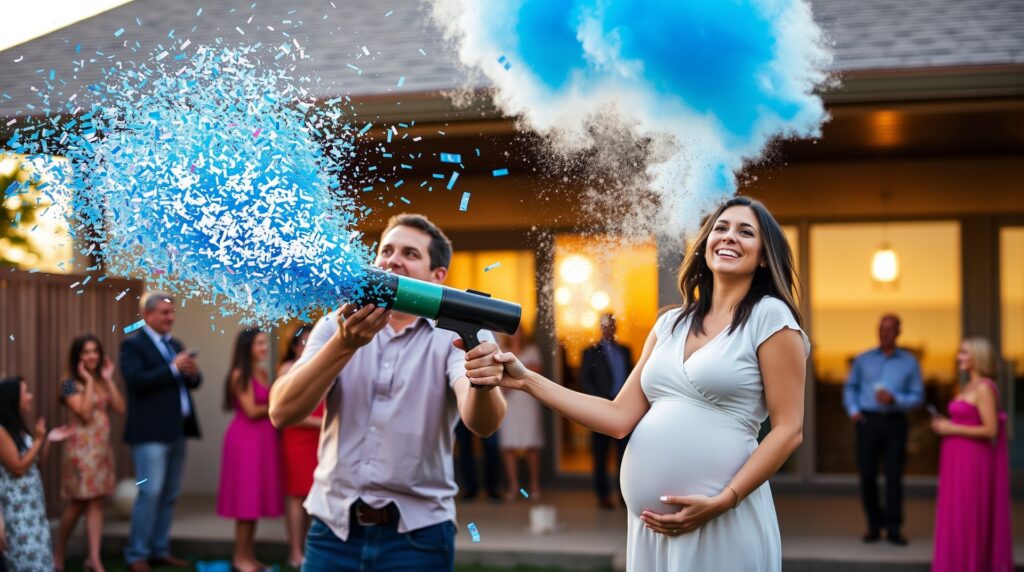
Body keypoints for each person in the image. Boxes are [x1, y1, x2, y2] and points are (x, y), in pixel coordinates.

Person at [465, 196, 809, 571]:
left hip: (722, 517)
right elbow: (617, 416)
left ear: (763, 256)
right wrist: (527, 380)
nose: (728, 237)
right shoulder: (670, 324)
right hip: (649, 529)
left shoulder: (770, 318)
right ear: (706, 245)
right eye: (720, 228)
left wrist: (725, 499)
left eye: (746, 232)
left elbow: (789, 430)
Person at [269, 213, 506, 572]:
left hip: (419, 537)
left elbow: (482, 423)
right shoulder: (337, 323)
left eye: (410, 253)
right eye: (386, 251)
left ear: (436, 276)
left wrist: (484, 383)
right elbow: (282, 413)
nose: (393, 260)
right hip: (333, 531)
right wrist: (344, 345)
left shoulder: (459, 332)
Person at [120, 291, 202, 572]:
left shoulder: (174, 344)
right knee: (150, 492)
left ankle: (158, 549)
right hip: (149, 434)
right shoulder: (133, 345)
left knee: (169, 493)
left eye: (172, 312)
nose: (171, 318)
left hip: (176, 431)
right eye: (165, 313)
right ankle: (137, 555)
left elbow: (189, 383)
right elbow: (136, 381)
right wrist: (172, 369)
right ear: (148, 315)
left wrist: (191, 372)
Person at [931, 337, 1012, 572]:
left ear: (978, 357)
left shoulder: (985, 387)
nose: (959, 357)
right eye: (959, 353)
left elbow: (991, 429)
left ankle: (971, 565)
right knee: (955, 516)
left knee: (969, 515)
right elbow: (968, 418)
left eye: (964, 353)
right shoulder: (967, 386)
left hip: (973, 460)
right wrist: (946, 424)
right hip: (956, 459)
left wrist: (951, 428)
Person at [843, 314, 923, 545]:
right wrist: (853, 411)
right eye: (881, 329)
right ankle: (873, 526)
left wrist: (895, 399)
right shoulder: (863, 360)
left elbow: (918, 396)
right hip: (867, 422)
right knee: (867, 475)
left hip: (895, 422)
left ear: (899, 332)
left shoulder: (910, 362)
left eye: (890, 329)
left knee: (894, 476)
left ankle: (894, 528)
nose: (884, 333)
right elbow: (851, 388)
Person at [53, 335, 126, 572]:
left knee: (97, 501)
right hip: (80, 450)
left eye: (95, 351)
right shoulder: (68, 382)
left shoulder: (102, 380)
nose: (92, 356)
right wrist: (87, 379)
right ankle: (59, 552)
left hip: (102, 449)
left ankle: (93, 558)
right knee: (78, 502)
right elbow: (84, 412)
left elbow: (121, 407)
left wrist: (108, 379)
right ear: (78, 356)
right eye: (86, 352)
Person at [217, 329, 283, 572]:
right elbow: (252, 410)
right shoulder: (239, 374)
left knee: (254, 502)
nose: (265, 347)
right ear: (247, 347)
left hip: (262, 440)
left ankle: (249, 556)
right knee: (246, 502)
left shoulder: (263, 372)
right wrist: (280, 404)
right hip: (245, 442)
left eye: (265, 343)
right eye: (260, 343)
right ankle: (239, 558)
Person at [0, 376, 71, 572]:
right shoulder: (1, 431)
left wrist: (47, 440)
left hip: (33, 505)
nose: (31, 396)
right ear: (13, 399)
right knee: (25, 558)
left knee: (40, 557)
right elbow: (19, 468)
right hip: (17, 509)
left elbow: (35, 465)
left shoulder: (18, 428)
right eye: (26, 392)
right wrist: (39, 440)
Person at [580, 314, 633, 509]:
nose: (609, 330)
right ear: (600, 329)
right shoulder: (591, 352)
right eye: (605, 326)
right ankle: (603, 495)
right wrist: (601, 402)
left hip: (625, 410)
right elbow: (585, 380)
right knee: (601, 456)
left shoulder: (625, 351)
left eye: (612, 326)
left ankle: (623, 494)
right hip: (601, 411)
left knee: (625, 457)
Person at [278, 325, 318, 569]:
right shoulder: (288, 368)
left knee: (314, 493)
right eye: (303, 341)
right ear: (293, 345)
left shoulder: (319, 365)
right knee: (296, 495)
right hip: (298, 437)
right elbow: (289, 410)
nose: (306, 346)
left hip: (318, 439)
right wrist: (323, 422)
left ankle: (309, 548)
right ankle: (295, 551)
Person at [497, 330, 544, 501]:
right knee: (509, 443)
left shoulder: (532, 350)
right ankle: (514, 485)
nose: (517, 335)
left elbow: (535, 376)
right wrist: (513, 382)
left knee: (531, 443)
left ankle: (534, 485)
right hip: (508, 403)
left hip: (528, 402)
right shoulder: (500, 350)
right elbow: (499, 377)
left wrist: (510, 381)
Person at [454, 421, 502, 502]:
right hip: (461, 412)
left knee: (491, 447)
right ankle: (469, 488)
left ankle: (492, 488)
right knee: (464, 447)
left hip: (487, 411)